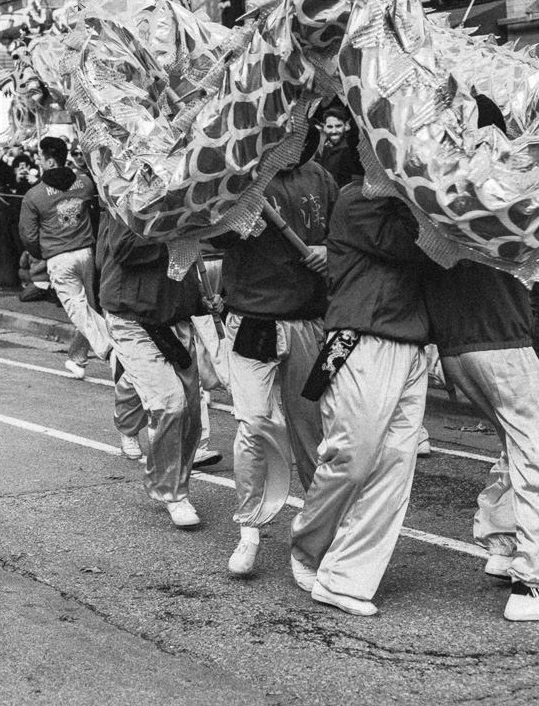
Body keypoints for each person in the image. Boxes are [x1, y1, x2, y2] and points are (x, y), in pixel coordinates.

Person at [289, 190, 432, 617]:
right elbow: (412, 245)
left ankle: (345, 578)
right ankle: (308, 548)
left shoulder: (421, 198)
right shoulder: (359, 199)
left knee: (394, 465)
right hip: (361, 340)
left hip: (413, 345)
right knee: (352, 459)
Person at [425, 260, 539, 621]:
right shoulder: (497, 206)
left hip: (455, 345)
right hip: (500, 336)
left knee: (515, 445)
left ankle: (504, 546)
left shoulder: (440, 208)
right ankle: (531, 584)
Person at [213, 125, 337, 577]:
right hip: (252, 321)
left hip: (309, 320)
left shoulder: (321, 177)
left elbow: (343, 237)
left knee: (314, 435)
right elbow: (209, 235)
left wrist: (329, 251)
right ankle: (249, 529)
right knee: (255, 426)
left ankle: (315, 538)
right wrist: (232, 217)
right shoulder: (239, 176)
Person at [97, 209, 204, 528]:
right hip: (131, 319)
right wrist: (180, 235)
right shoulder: (126, 200)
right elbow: (126, 249)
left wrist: (202, 301)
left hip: (175, 318)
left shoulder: (194, 201)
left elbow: (189, 264)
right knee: (170, 405)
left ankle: (128, 418)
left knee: (192, 416)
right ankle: (172, 492)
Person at [20, 136, 112, 378]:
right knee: (87, 309)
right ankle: (78, 359)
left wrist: (44, 254)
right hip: (86, 253)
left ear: (49, 161)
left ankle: (111, 350)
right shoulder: (85, 184)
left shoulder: (34, 195)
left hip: (59, 257)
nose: (38, 161)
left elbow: (28, 236)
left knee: (79, 310)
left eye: (40, 157)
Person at [316, 107, 363, 189]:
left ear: (346, 126)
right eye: (330, 127)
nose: (334, 131)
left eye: (338, 126)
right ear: (324, 127)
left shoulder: (351, 149)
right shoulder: (327, 145)